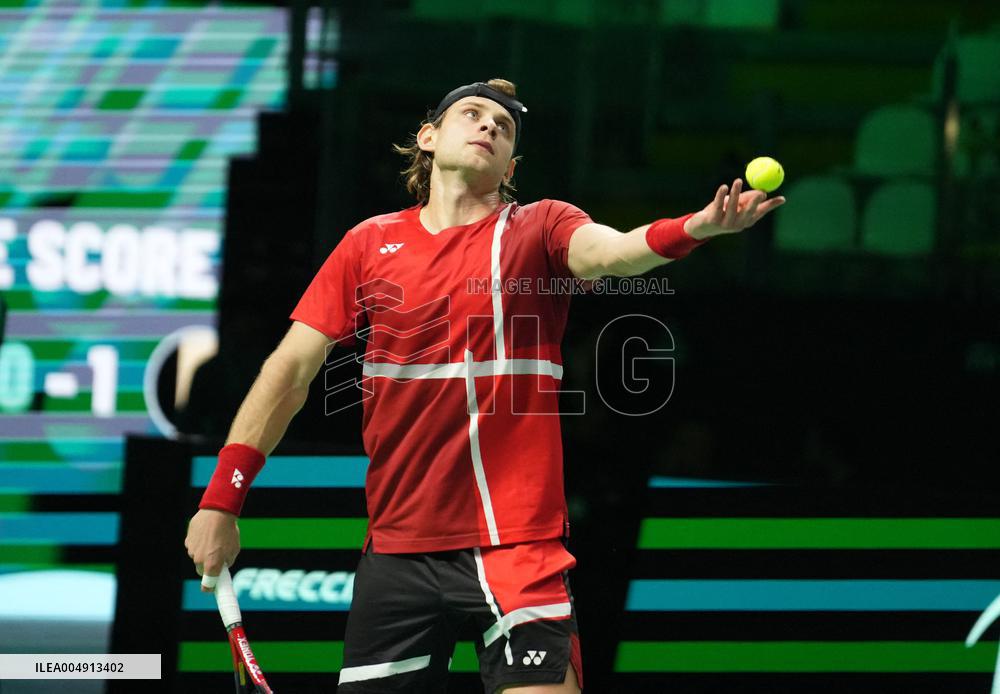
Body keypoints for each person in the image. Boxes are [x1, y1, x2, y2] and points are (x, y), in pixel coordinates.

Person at [184, 78, 785, 693]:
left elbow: (616, 252)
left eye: (503, 127)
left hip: (517, 548)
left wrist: (696, 229)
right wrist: (222, 498)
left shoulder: (538, 229)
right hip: (397, 552)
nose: (488, 127)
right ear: (428, 137)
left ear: (511, 164)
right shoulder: (367, 244)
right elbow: (289, 372)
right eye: (471, 114)